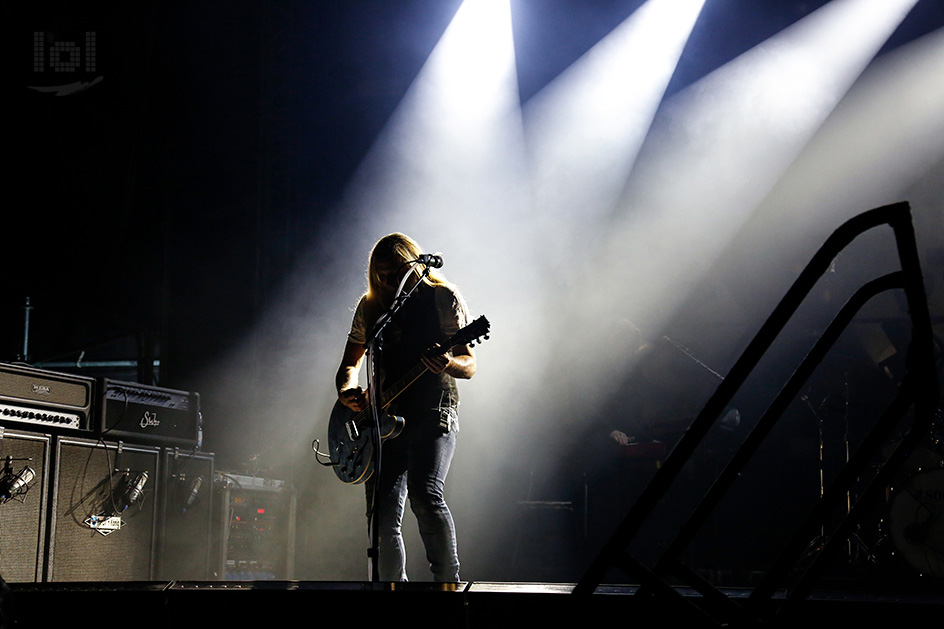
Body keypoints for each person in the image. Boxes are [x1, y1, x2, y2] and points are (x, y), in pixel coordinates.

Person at [335, 233, 476, 582]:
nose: (387, 280)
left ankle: (449, 586)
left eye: (395, 271)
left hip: (433, 410)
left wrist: (447, 364)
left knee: (425, 495)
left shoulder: (442, 297)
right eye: (380, 273)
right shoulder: (370, 308)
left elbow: (469, 363)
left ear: (412, 265)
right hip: (384, 418)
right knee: (381, 515)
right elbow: (350, 363)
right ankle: (391, 592)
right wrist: (347, 389)